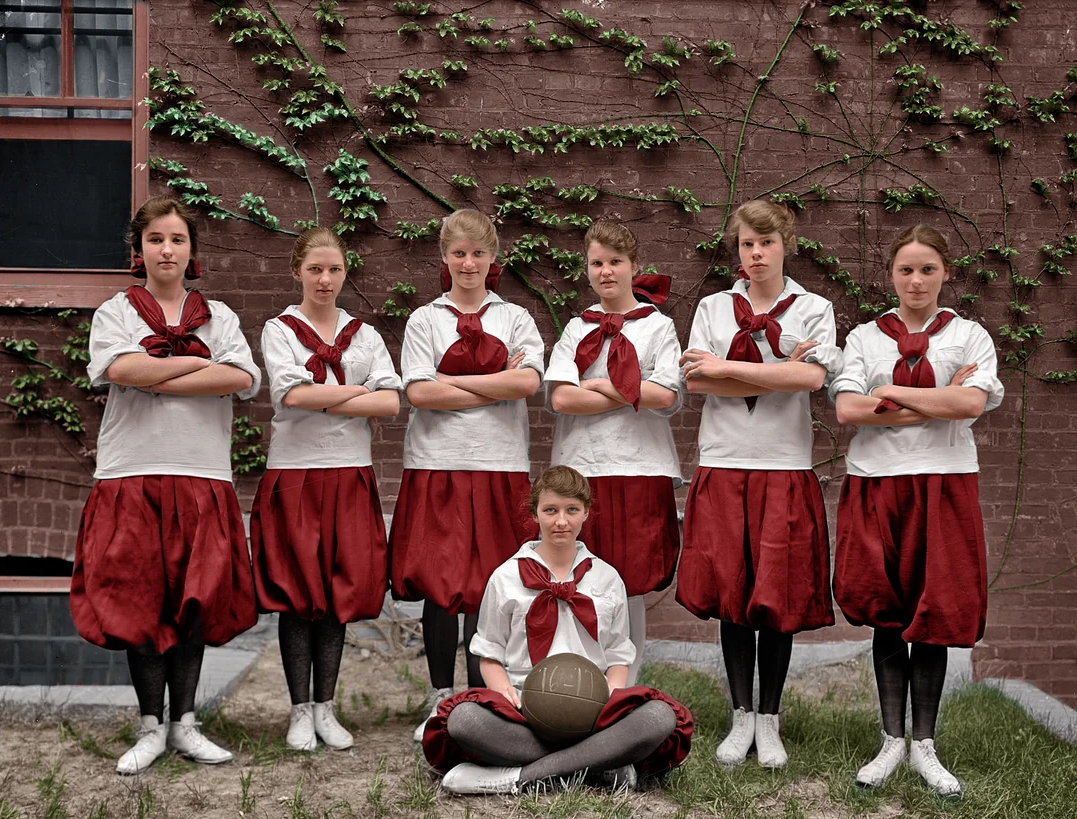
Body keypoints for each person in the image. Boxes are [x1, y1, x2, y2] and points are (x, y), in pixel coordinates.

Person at [70, 195, 261, 774]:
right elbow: (122, 370)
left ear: (192, 251)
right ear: (139, 250)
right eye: (156, 239)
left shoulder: (221, 317)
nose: (167, 249)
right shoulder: (116, 314)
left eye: (177, 239)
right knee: (141, 600)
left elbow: (243, 377)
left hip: (202, 475)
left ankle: (186, 723)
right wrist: (202, 368)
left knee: (195, 602)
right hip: (132, 474)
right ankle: (150, 725)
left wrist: (162, 375)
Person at [830, 225, 1003, 797]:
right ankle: (890, 742)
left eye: (927, 269)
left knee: (932, 613)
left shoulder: (970, 336)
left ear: (945, 273)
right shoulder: (863, 337)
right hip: (876, 483)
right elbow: (850, 411)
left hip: (944, 483)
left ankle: (925, 745)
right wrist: (933, 401)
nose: (916, 280)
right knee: (887, 611)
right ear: (892, 275)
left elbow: (972, 401)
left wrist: (893, 395)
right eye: (906, 269)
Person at [676, 200, 842, 769]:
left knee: (777, 595)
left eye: (766, 243)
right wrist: (776, 371)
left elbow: (813, 377)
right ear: (738, 249)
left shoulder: (816, 308)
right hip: (723, 463)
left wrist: (730, 368)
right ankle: (740, 714)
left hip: (784, 465)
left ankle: (769, 720)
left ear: (785, 244)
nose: (756, 254)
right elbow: (696, 382)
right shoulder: (711, 308)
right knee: (732, 593)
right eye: (747, 244)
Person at [423, 465, 694, 795]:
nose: (561, 521)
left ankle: (515, 778)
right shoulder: (505, 577)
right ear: (535, 513)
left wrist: (609, 693)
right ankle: (599, 766)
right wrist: (505, 692)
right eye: (550, 510)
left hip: (593, 714)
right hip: (524, 710)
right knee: (463, 720)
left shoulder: (607, 578)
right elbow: (489, 653)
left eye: (571, 510)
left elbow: (618, 654)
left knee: (659, 718)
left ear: (586, 513)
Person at [389, 209, 545, 741]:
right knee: (440, 585)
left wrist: (475, 387)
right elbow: (419, 393)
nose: (468, 263)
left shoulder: (516, 318)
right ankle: (440, 697)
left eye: (478, 252)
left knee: (489, 587)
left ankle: (481, 698)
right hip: (437, 465)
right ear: (444, 258)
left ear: (492, 257)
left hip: (500, 466)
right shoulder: (424, 320)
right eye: (458, 253)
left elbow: (527, 385)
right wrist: (493, 382)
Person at [250, 227, 401, 752]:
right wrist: (358, 390)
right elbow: (290, 396)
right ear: (298, 271)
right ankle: (297, 710)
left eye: (334, 269)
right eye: (314, 268)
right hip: (295, 473)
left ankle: (326, 708)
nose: (325, 278)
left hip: (349, 471)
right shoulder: (280, 329)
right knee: (298, 593)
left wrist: (327, 395)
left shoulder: (365, 335)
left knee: (337, 592)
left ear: (345, 272)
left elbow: (390, 404)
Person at [544, 220, 682, 685]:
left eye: (615, 262)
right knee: (580, 577)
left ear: (634, 267)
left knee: (630, 583)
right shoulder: (573, 328)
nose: (606, 272)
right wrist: (631, 391)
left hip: (641, 467)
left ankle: (624, 688)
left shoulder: (658, 328)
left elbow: (666, 396)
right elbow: (563, 399)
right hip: (580, 468)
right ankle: (577, 686)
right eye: (597, 263)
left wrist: (601, 386)